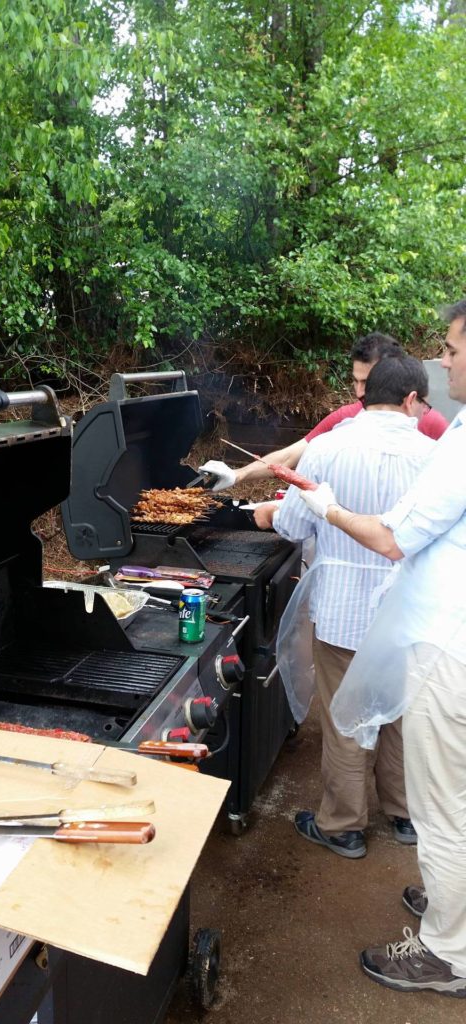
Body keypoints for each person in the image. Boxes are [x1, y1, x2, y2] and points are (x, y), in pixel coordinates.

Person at [297, 300, 466, 996]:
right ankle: (439, 886)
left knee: (438, 801)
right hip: (419, 629)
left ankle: (447, 951)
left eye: (455, 347)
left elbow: (396, 535)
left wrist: (321, 508)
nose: (448, 359)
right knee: (419, 766)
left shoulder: (341, 447)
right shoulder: (436, 441)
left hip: (433, 639)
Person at [254, 355, 434, 859]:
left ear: (365, 394)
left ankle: (344, 826)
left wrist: (269, 514)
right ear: (410, 399)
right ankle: (403, 816)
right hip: (408, 611)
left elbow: (292, 525)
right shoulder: (432, 455)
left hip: (341, 609)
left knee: (345, 716)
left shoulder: (328, 449)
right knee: (399, 714)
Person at [199, 333, 448, 489]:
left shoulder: (432, 425)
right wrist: (236, 475)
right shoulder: (345, 419)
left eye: (368, 381)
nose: (360, 391)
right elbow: (289, 457)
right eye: (355, 380)